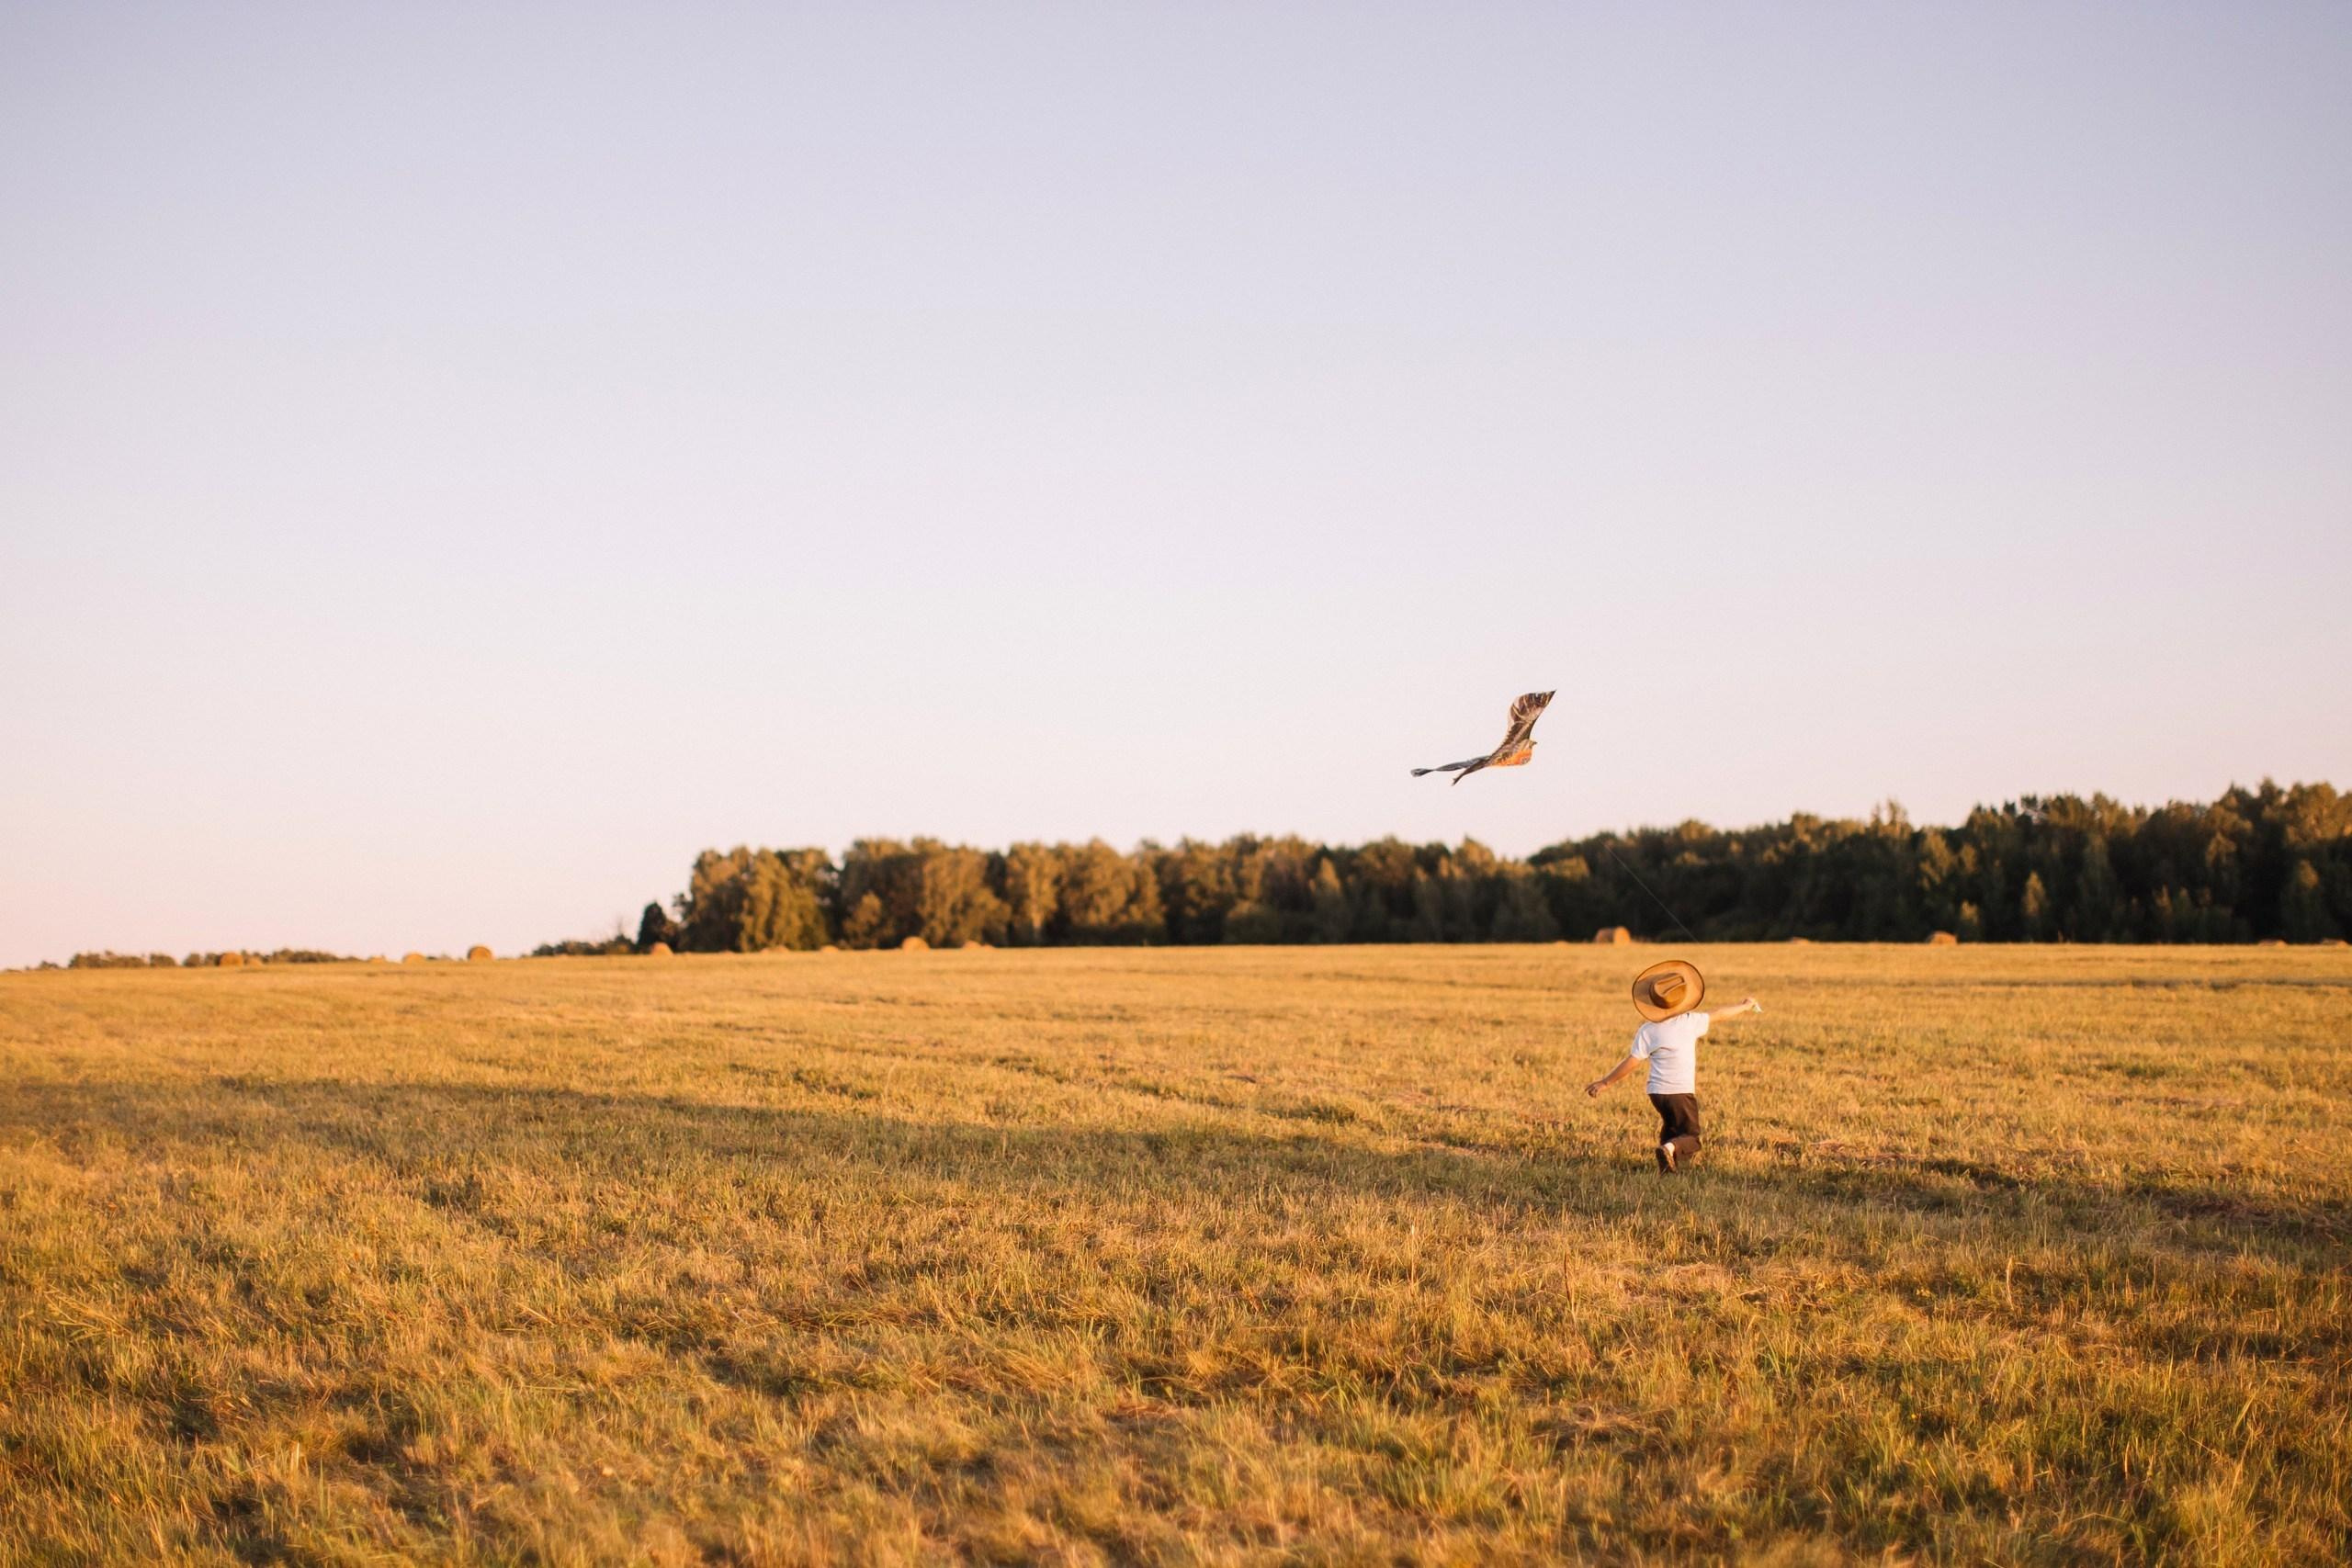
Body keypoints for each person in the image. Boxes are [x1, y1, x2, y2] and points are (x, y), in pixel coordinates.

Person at [1584, 959, 1761, 1172]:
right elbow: (1720, 1014)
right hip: (1679, 1092)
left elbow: (1632, 1061)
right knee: (1692, 1137)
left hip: (1657, 1093)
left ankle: (1668, 1168)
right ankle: (1668, 1150)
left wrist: (1606, 1082)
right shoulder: (1689, 1022)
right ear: (1682, 1000)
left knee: (1671, 1129)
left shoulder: (1648, 1030)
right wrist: (1745, 1006)